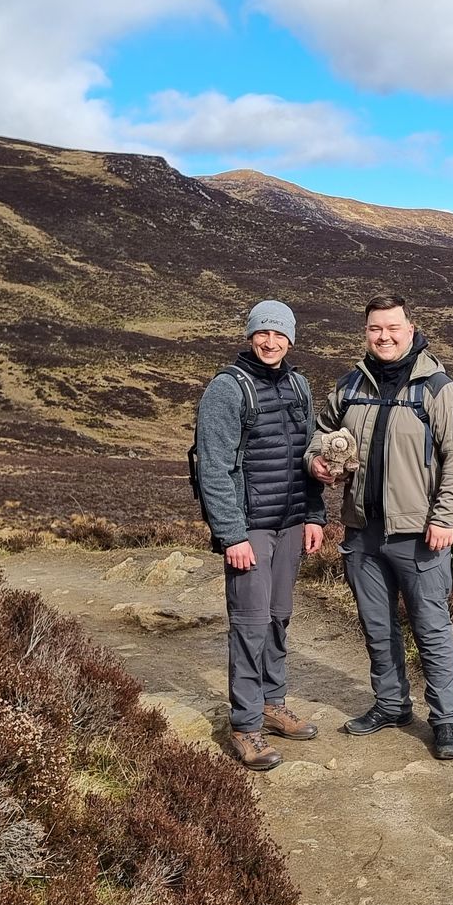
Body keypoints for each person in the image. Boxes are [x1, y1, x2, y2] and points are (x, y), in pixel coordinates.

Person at [308, 293, 453, 761]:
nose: (383, 337)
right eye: (374, 329)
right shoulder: (349, 387)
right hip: (362, 531)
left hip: (419, 534)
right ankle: (390, 705)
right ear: (365, 332)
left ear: (410, 327)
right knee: (376, 626)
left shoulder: (438, 389)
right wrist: (317, 462)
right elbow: (318, 436)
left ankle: (445, 720)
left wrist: (444, 518)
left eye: (392, 328)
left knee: (432, 628)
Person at [193, 299, 325, 771]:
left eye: (279, 334)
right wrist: (232, 535)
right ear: (250, 336)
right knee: (249, 626)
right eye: (262, 333)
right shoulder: (227, 390)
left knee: (278, 618)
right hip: (249, 529)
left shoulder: (298, 384)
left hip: (290, 523)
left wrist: (315, 515)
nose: (270, 342)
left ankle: (273, 704)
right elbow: (214, 468)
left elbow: (311, 458)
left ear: (291, 339)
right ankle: (245, 725)